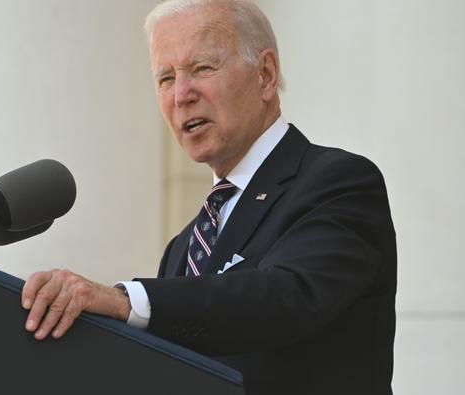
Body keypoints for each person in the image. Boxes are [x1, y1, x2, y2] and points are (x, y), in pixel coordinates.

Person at [21, 1, 396, 394]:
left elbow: (285, 300)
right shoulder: (183, 248)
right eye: (165, 78)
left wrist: (122, 300)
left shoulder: (339, 183)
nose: (182, 95)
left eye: (201, 68)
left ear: (265, 75)